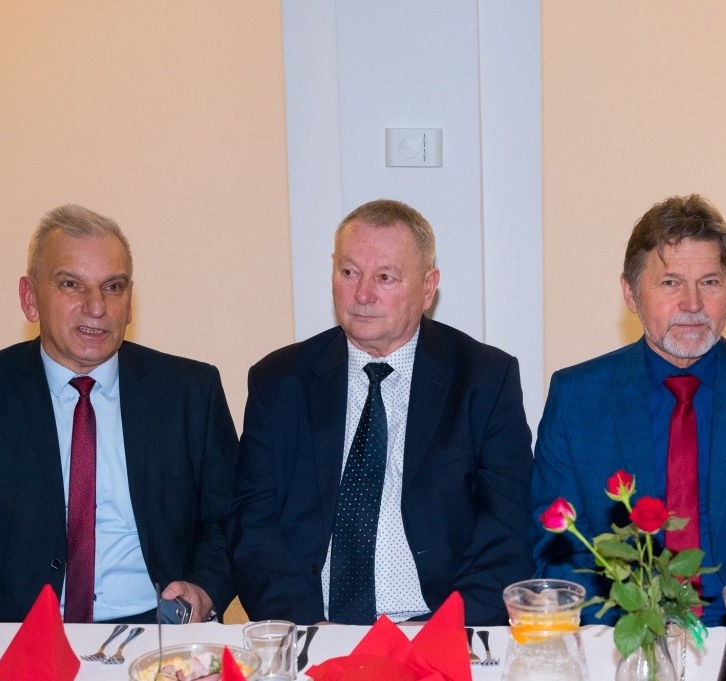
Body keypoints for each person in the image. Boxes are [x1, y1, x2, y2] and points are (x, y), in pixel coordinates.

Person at [531, 194, 726, 625]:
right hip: (626, 635)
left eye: (710, 282)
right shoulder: (577, 398)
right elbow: (557, 553)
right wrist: (636, 633)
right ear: (630, 293)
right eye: (671, 283)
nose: (693, 304)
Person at [0, 204, 238, 623]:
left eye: (113, 287)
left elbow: (230, 521)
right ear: (30, 299)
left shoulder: (190, 391)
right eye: (71, 284)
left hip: (158, 625)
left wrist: (205, 588)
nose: (96, 307)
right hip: (19, 628)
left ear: (130, 302)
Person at [227, 199, 534, 626]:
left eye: (385, 277)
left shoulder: (484, 379)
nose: (362, 294)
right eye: (348, 272)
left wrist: (442, 631)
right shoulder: (279, 382)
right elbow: (252, 524)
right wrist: (306, 626)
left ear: (428, 288)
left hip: (437, 625)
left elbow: (508, 529)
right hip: (313, 626)